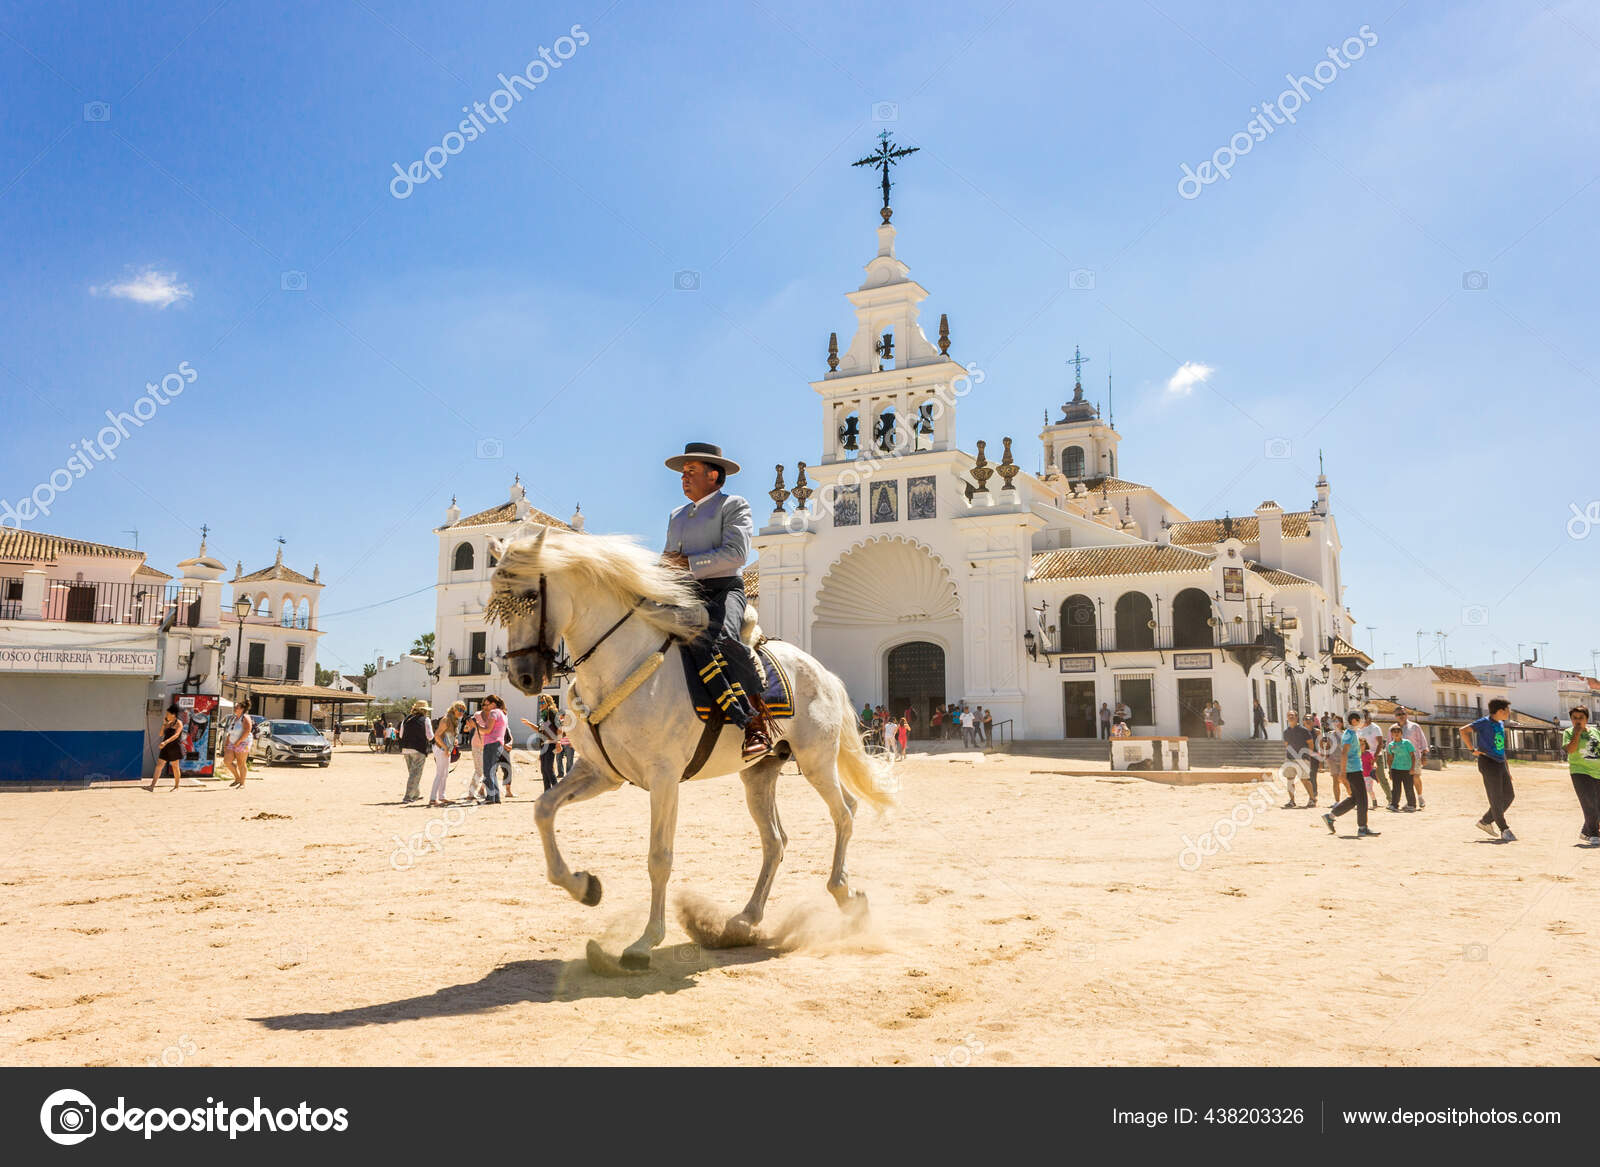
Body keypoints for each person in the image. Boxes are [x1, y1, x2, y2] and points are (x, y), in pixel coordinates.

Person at [661, 441, 775, 760]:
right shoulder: (676, 515)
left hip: (724, 589)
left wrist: (687, 563)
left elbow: (737, 554)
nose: (684, 478)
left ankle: (756, 725)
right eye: (682, 472)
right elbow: (669, 559)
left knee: (721, 640)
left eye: (691, 471)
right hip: (684, 592)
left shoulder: (733, 505)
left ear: (713, 475)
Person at [1461, 699, 1515, 842]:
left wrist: (1507, 769)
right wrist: (1472, 749)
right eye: (1507, 710)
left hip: (1500, 762)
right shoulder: (1484, 722)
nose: (1509, 712)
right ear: (1500, 711)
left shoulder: (1501, 723)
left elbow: (1501, 747)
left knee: (1509, 795)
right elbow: (1463, 730)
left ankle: (1485, 821)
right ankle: (1504, 829)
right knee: (1496, 797)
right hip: (1488, 762)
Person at [1323, 711, 1379, 837]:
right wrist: (1343, 773)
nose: (1363, 722)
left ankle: (1330, 816)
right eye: (1361, 720)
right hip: (1352, 769)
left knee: (1354, 799)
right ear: (1354, 721)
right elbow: (1344, 753)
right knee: (1362, 799)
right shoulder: (1349, 734)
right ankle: (1362, 827)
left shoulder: (1351, 733)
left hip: (1353, 768)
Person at [1562, 707, 1600, 845]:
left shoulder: (1595, 732)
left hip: (1597, 772)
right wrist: (1576, 735)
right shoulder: (1568, 732)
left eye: (1581, 718)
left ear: (1587, 719)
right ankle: (1594, 834)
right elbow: (1570, 750)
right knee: (1589, 803)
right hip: (1580, 772)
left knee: (1598, 805)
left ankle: (1586, 832)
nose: (1577, 721)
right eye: (1574, 718)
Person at [428, 702, 465, 807]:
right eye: (460, 710)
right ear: (454, 709)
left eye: (464, 710)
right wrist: (445, 747)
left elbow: (447, 735)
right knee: (440, 774)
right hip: (441, 749)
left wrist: (454, 741)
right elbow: (437, 736)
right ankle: (432, 798)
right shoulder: (446, 719)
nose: (462, 712)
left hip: (445, 749)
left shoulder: (454, 720)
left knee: (445, 774)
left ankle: (442, 796)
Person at [474, 694, 509, 803]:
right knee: (492, 772)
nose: (485, 707)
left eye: (486, 704)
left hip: (491, 743)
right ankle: (495, 797)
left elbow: (487, 730)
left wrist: (475, 725)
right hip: (499, 744)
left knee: (488, 771)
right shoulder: (503, 713)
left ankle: (490, 798)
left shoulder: (494, 712)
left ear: (493, 704)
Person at [1394, 707, 1430, 808]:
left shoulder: (1414, 727)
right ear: (1395, 716)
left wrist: (1424, 755)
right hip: (1400, 759)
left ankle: (1420, 797)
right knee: (1406, 781)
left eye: (1402, 714)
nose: (1401, 716)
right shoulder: (1393, 728)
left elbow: (1422, 741)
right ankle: (1410, 801)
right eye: (1398, 714)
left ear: (1406, 714)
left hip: (1415, 756)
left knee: (1415, 777)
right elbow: (1390, 743)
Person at [1281, 710, 1317, 808]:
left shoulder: (1304, 730)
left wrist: (1307, 756)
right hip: (1290, 758)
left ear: (1297, 717)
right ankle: (1292, 801)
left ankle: (1312, 799)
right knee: (1289, 780)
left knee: (1305, 780)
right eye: (1289, 715)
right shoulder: (1286, 732)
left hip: (1303, 759)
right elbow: (1286, 745)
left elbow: (1311, 744)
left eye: (1292, 715)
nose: (1290, 717)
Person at [398, 700, 432, 803]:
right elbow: (430, 736)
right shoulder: (425, 720)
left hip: (406, 749)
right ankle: (408, 796)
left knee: (412, 773)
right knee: (416, 773)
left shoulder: (406, 719)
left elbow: (400, 735)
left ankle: (416, 794)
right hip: (419, 749)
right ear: (424, 710)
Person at [149, 703, 186, 791]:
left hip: (174, 747)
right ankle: (152, 786)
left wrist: (165, 742)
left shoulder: (179, 723)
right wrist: (164, 724)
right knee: (159, 765)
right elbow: (161, 734)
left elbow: (176, 735)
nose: (166, 715)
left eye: (168, 714)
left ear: (173, 715)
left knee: (175, 766)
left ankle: (176, 786)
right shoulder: (168, 723)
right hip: (165, 747)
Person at [1357, 711, 1389, 808]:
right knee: (1361, 781)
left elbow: (1380, 743)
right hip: (1362, 757)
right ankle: (1363, 802)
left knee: (1381, 779)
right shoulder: (1359, 729)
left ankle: (1390, 800)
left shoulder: (1375, 728)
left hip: (1375, 756)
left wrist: (1375, 757)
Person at [1385, 724, 1419, 811]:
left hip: (1407, 769)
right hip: (1395, 769)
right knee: (1396, 788)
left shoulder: (1407, 743)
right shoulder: (1390, 745)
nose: (1396, 734)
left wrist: (1412, 768)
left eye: (1398, 732)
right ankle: (1394, 805)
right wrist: (1390, 771)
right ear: (1391, 734)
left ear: (1401, 733)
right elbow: (1390, 758)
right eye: (1394, 732)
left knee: (1408, 787)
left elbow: (1412, 756)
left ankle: (1411, 805)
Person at [223, 701, 253, 788]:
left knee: (241, 763)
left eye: (237, 707)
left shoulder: (245, 718)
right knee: (227, 761)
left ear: (242, 709)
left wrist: (239, 742)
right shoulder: (234, 718)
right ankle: (237, 778)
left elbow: (247, 730)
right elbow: (230, 732)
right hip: (232, 742)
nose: (235, 708)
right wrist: (227, 743)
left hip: (243, 742)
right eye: (235, 707)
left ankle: (242, 783)